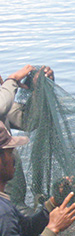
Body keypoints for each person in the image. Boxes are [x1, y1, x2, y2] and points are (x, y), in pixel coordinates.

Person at [0, 65, 54, 206]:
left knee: (16, 211)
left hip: (9, 183)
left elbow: (27, 121)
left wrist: (38, 90)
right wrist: (11, 80)